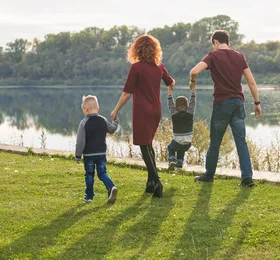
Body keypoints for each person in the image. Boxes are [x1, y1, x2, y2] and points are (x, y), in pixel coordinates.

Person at [189, 30, 262, 187]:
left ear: (216, 42)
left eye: (213, 44)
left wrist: (192, 82)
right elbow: (251, 81)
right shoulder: (240, 56)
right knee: (241, 142)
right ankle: (247, 178)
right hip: (238, 104)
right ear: (228, 42)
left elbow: (194, 71)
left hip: (222, 104)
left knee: (215, 142)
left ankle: (209, 175)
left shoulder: (213, 56)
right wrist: (257, 103)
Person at [111, 34, 174, 197]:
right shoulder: (159, 66)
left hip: (142, 110)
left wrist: (116, 110)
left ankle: (157, 182)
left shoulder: (136, 68)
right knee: (148, 145)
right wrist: (169, 93)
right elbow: (171, 82)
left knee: (144, 146)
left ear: (137, 49)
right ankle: (150, 183)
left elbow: (126, 93)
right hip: (156, 110)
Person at [75, 95, 119, 203]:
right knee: (102, 173)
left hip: (89, 155)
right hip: (101, 153)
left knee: (89, 174)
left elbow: (80, 142)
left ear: (85, 109)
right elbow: (112, 130)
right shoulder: (103, 120)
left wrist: (78, 155)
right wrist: (116, 121)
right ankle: (111, 187)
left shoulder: (83, 123)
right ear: (98, 109)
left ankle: (89, 196)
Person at [166, 83, 196, 171]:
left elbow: (170, 104)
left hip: (177, 141)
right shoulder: (190, 112)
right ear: (186, 105)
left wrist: (169, 91)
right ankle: (179, 165)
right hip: (188, 143)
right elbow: (193, 102)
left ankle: (172, 160)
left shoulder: (174, 113)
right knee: (181, 149)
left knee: (170, 147)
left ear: (176, 106)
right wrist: (193, 90)